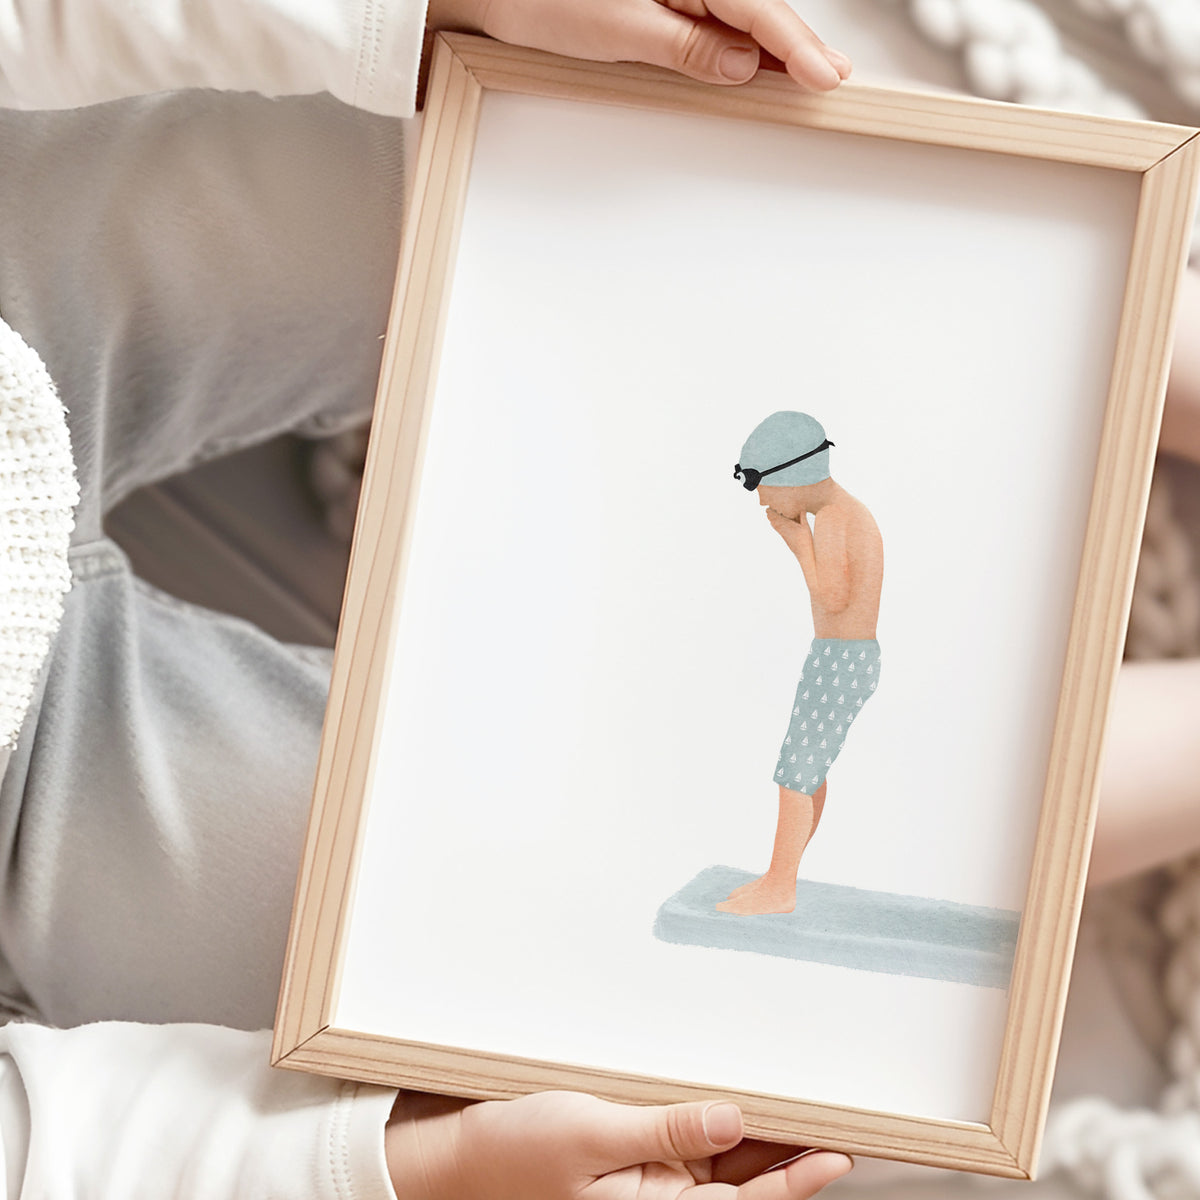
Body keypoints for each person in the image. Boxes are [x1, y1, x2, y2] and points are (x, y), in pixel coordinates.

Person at [0, 0, 861, 1194]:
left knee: (578, 147)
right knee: (600, 942)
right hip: (23, 819)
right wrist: (391, 1172)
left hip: (19, 272)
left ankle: (1133, 343)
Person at [719, 413, 883, 916]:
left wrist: (797, 544)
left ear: (790, 474)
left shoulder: (835, 518)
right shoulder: (840, 514)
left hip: (841, 661)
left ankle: (780, 886)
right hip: (839, 658)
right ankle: (781, 874)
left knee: (795, 775)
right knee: (808, 772)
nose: (763, 501)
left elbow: (832, 598)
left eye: (763, 487)